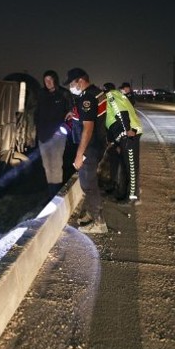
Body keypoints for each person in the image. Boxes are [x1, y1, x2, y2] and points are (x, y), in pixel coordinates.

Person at [65, 68, 107, 233]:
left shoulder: (87, 98)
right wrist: (74, 113)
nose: (71, 86)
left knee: (88, 184)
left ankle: (99, 222)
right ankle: (91, 213)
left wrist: (78, 155)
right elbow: (90, 115)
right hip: (97, 143)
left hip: (89, 147)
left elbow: (87, 129)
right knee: (90, 182)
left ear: (80, 81)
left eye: (71, 83)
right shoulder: (97, 93)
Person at [35, 70, 73, 196]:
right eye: (46, 80)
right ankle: (51, 192)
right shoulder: (41, 94)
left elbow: (71, 115)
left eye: (50, 80)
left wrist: (63, 131)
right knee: (47, 165)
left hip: (57, 137)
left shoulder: (64, 94)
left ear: (55, 80)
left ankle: (56, 194)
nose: (48, 83)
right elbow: (36, 113)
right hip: (43, 136)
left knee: (56, 165)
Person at [103, 82, 142, 203]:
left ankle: (132, 197)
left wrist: (126, 131)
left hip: (129, 134)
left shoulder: (111, 95)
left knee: (131, 166)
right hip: (126, 134)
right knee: (125, 165)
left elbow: (120, 112)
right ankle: (122, 193)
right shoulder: (119, 95)